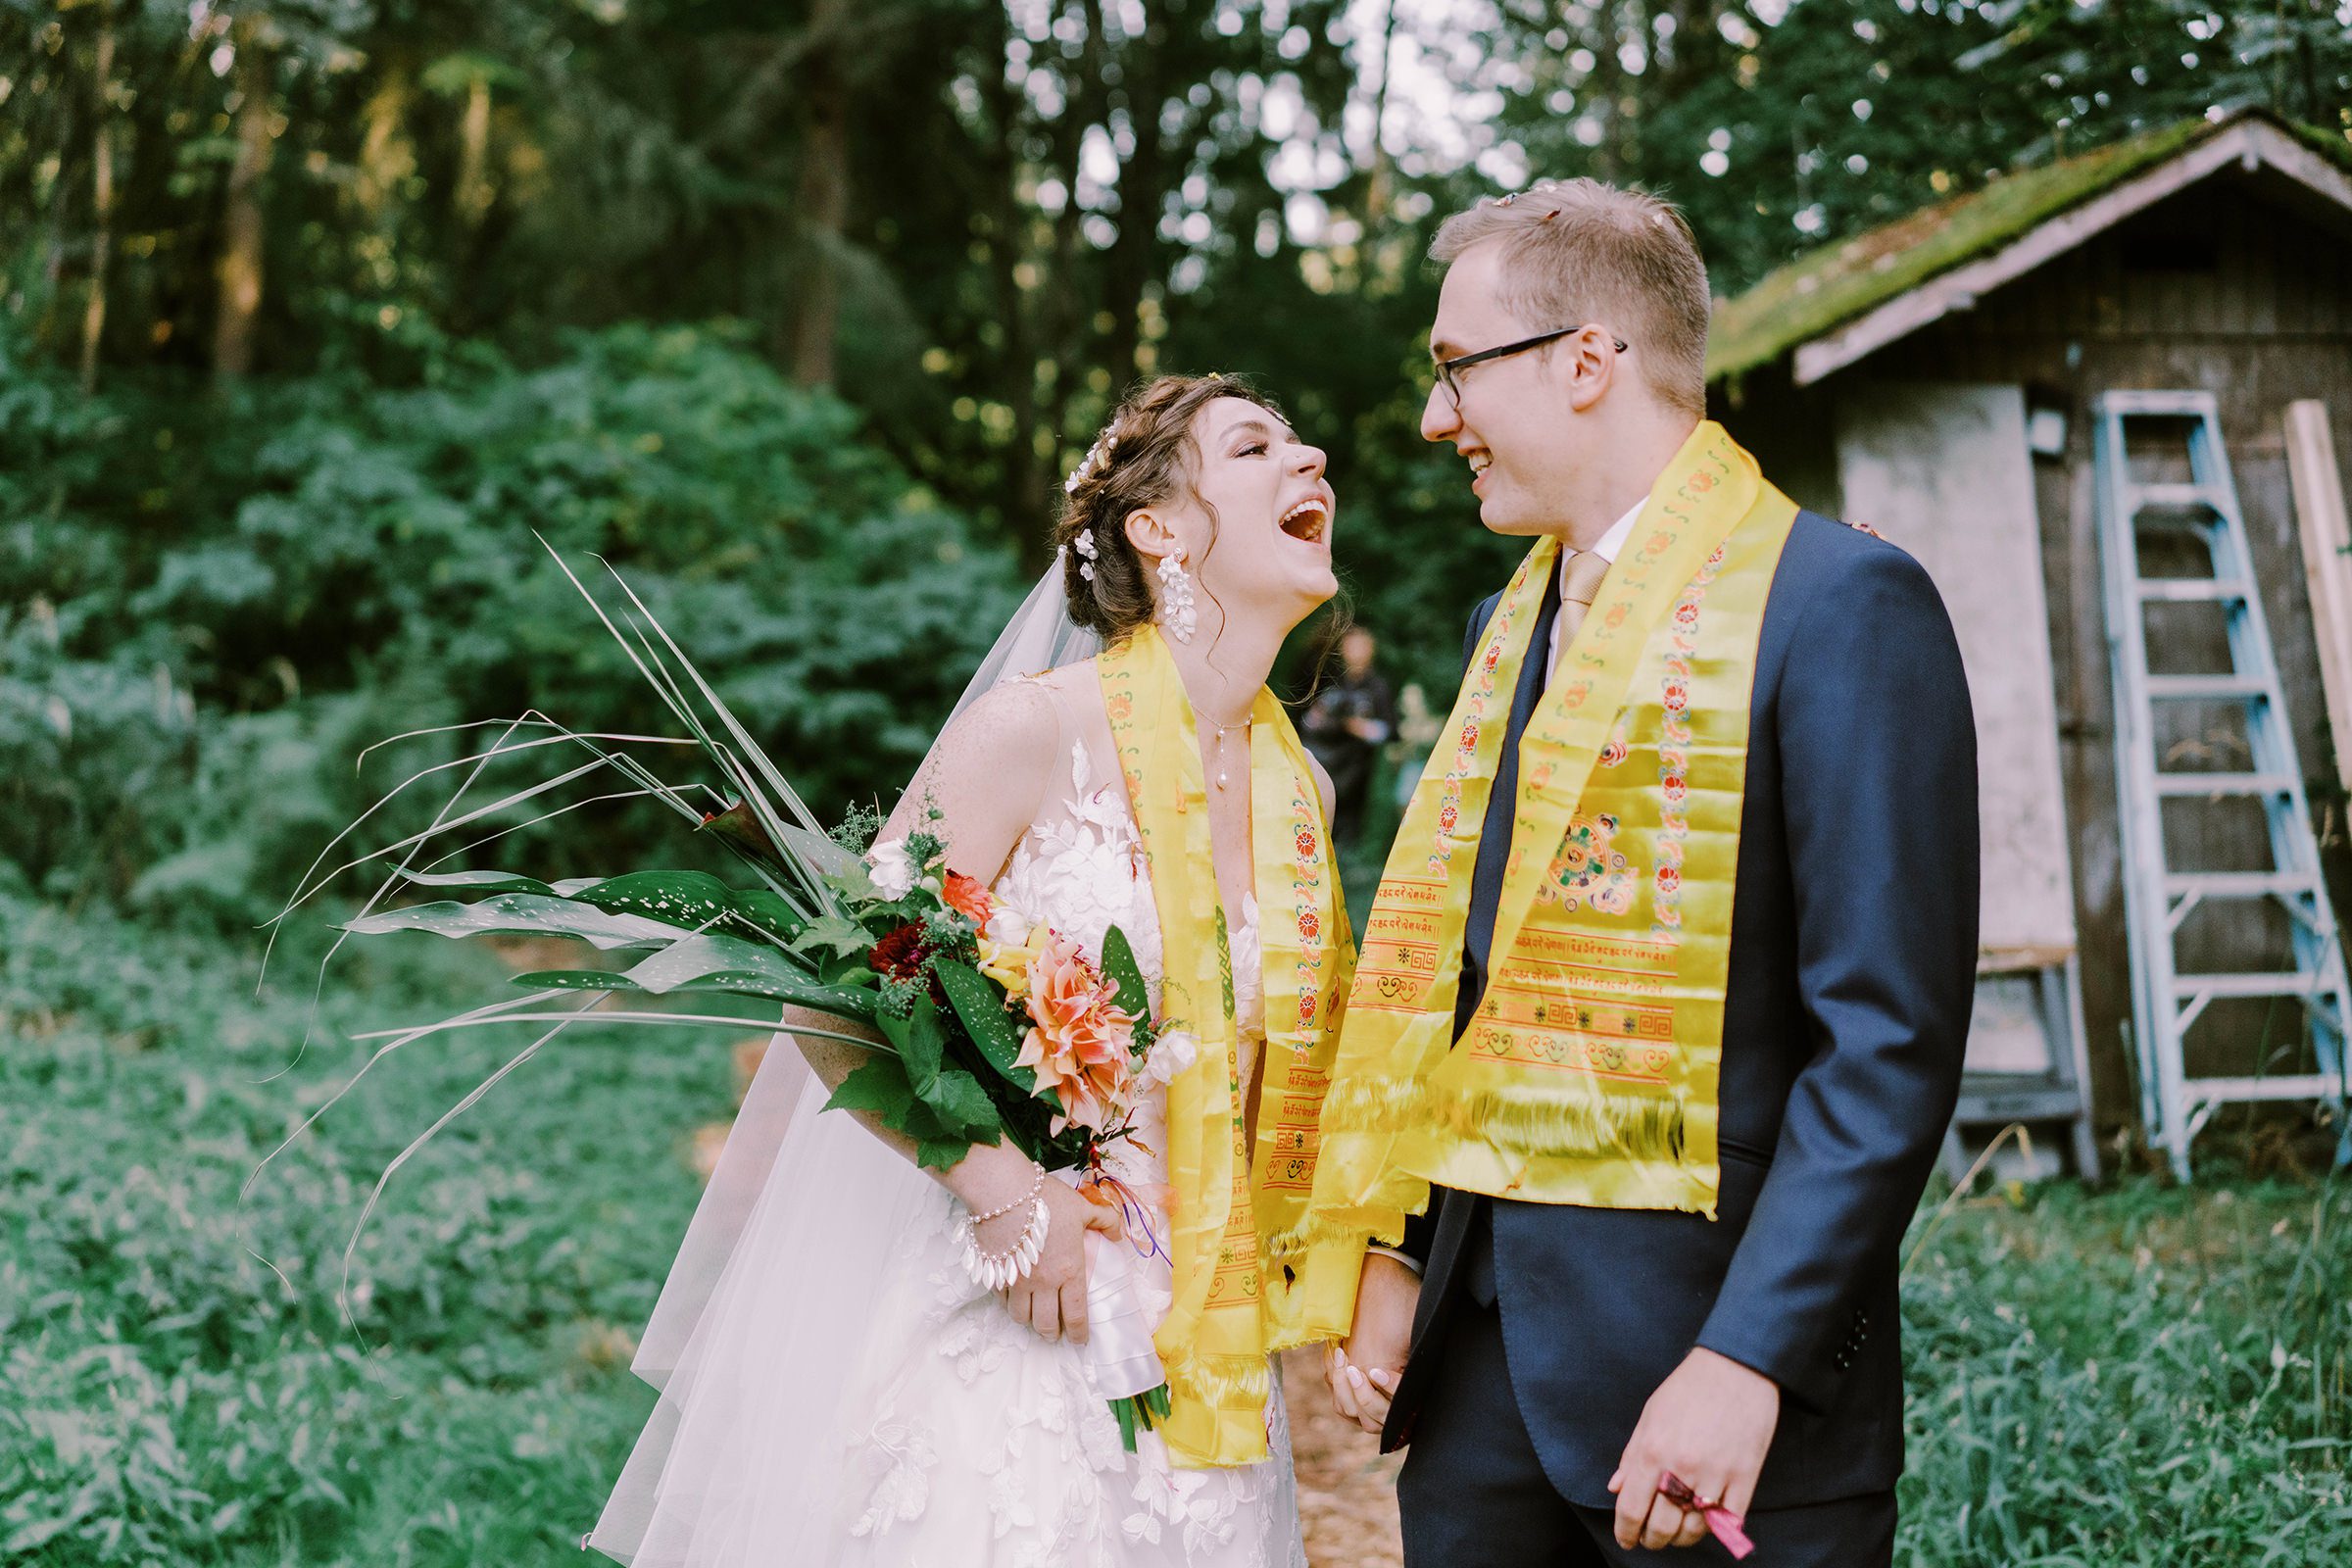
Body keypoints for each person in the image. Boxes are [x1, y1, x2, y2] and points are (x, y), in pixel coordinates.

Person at [585, 373, 1367, 1567]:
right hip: (1021, 1319)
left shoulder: (1300, 793)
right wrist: (1008, 1196)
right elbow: (840, 994)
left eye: (1304, 442)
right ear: (1157, 527)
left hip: (1212, 1357)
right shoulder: (1033, 733)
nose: (1310, 458)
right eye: (1259, 445)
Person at [1309, 179, 1979, 1566]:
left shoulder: (1839, 605)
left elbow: (1887, 1044)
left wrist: (1749, 1358)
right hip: (1483, 1383)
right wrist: (1402, 1247)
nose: (1438, 419)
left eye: (1454, 369)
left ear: (1587, 362)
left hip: (1721, 1389)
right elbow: (1471, 982)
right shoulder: (1515, 626)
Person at [1301, 625, 1397, 853]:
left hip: (1357, 771)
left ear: (1371, 649)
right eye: (1351, 646)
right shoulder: (1329, 681)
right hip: (1324, 764)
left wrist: (1365, 729)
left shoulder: (1377, 687)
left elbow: (1392, 730)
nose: (1357, 652)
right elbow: (1309, 721)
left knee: (1348, 832)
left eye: (1362, 646)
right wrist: (1343, 724)